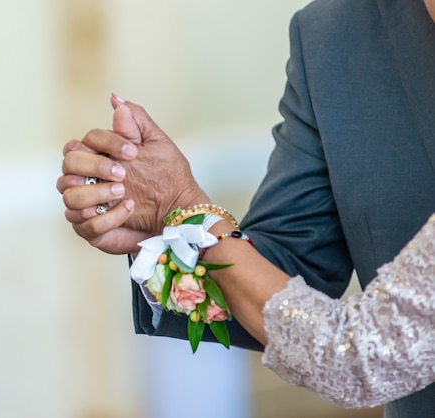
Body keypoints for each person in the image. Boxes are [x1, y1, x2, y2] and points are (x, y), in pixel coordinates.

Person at [57, 0, 435, 416]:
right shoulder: (332, 32)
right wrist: (169, 233)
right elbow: (291, 267)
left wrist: (190, 215)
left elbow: (362, 355)